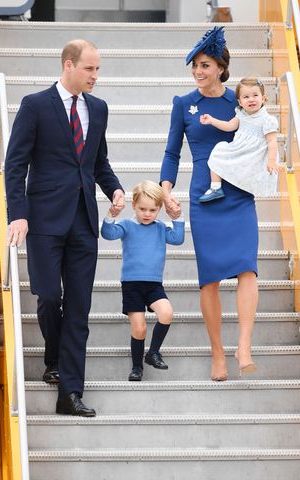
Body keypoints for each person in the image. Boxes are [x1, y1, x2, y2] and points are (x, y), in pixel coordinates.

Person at [5, 39, 125, 416]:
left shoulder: (99, 109)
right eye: (90, 68)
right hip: (42, 219)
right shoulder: (35, 105)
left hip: (83, 220)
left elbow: (97, 162)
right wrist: (18, 213)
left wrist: (115, 189)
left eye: (98, 69)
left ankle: (70, 393)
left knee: (79, 307)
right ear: (69, 65)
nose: (95, 76)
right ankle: (54, 355)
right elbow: (15, 164)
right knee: (48, 295)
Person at [160, 26, 260, 380]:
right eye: (194, 67)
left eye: (204, 65)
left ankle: (243, 346)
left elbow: (262, 132)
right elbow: (172, 152)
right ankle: (218, 352)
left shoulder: (240, 100)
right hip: (204, 194)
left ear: (220, 67)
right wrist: (166, 189)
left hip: (239, 191)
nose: (198, 72)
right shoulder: (183, 104)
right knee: (211, 279)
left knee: (248, 268)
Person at [101, 180, 184, 381]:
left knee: (166, 313)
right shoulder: (128, 225)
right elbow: (107, 234)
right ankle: (137, 367)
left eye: (153, 210)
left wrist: (178, 218)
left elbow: (178, 238)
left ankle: (153, 352)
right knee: (139, 328)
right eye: (142, 209)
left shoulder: (160, 227)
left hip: (154, 284)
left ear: (159, 209)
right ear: (134, 206)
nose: (147, 214)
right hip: (132, 285)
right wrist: (112, 214)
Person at [199, 76, 279, 202]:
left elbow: (272, 142)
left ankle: (244, 188)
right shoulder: (241, 115)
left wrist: (272, 160)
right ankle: (216, 187)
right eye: (246, 97)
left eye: (255, 95)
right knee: (219, 150)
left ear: (263, 98)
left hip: (255, 154)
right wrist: (212, 120)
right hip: (239, 149)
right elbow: (229, 126)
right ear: (240, 102)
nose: (251, 99)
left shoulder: (267, 120)